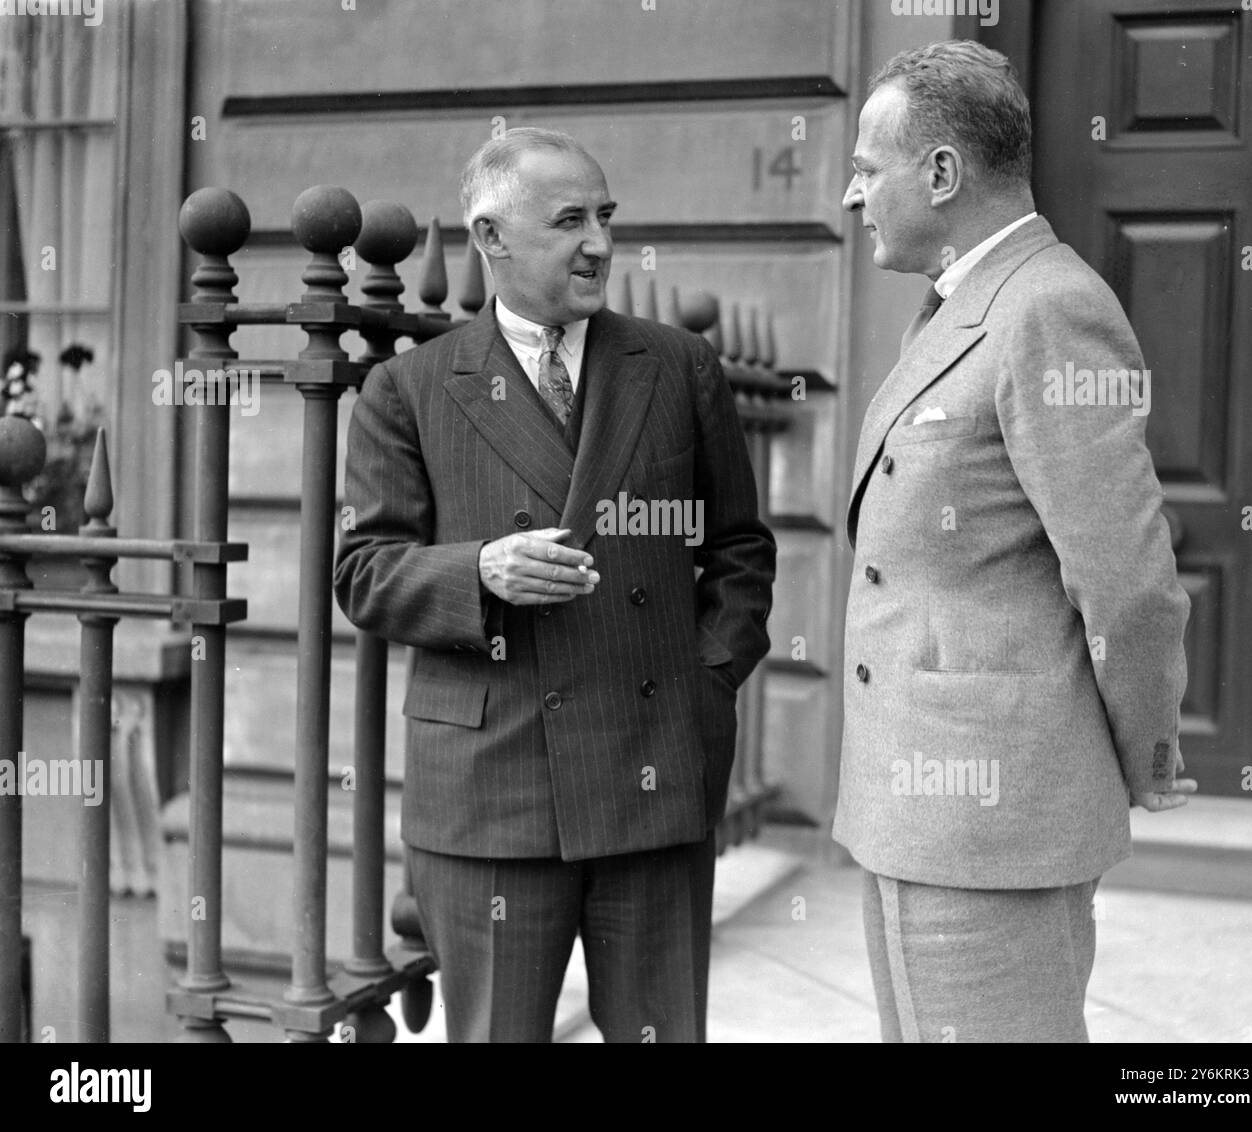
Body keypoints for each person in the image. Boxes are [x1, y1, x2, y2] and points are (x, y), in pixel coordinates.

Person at [334, 127, 775, 1043]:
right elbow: (363, 572)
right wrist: (479, 571)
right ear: (491, 239)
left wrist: (706, 681)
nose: (601, 245)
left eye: (605, 218)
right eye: (570, 220)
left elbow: (739, 549)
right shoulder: (409, 389)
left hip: (654, 772)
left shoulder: (677, 366)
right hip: (495, 798)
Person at [834, 41, 1194, 1042]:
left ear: (940, 173)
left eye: (868, 169)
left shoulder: (1047, 308)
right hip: (925, 805)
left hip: (989, 819)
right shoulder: (965, 303)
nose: (853, 196)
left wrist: (1142, 755)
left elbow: (1126, 582)